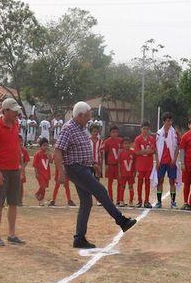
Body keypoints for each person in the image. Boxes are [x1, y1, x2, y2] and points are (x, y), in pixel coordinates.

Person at [54, 101, 136, 249]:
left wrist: (94, 163)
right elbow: (58, 150)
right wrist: (61, 172)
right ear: (79, 115)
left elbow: (83, 149)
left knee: (86, 203)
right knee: (101, 192)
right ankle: (121, 221)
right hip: (76, 168)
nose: (89, 119)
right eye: (87, 116)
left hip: (84, 168)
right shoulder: (68, 128)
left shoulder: (82, 128)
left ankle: (79, 238)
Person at [0, 98, 26, 246]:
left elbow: (17, 148)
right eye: (14, 110)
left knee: (13, 203)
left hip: (14, 169)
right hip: (1, 170)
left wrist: (21, 167)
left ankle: (12, 234)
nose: (17, 113)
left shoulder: (15, 124)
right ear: (6, 110)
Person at [155, 112, 179, 209]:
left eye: (171, 121)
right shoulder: (159, 133)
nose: (169, 123)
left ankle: (173, 202)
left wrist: (174, 159)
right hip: (161, 161)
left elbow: (177, 147)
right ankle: (159, 201)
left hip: (171, 161)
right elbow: (156, 148)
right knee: (160, 181)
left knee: (172, 181)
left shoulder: (174, 133)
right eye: (167, 121)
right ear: (163, 121)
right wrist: (157, 161)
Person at [134, 121, 156, 208]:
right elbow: (137, 152)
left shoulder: (151, 139)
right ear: (141, 129)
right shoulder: (137, 139)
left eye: (147, 129)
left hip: (148, 165)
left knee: (147, 183)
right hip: (140, 165)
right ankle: (139, 201)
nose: (145, 130)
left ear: (149, 129)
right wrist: (147, 151)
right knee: (139, 183)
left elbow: (153, 151)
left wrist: (143, 151)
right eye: (144, 129)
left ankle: (147, 201)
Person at [103, 125, 123, 203]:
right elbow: (106, 152)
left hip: (118, 165)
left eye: (116, 132)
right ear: (110, 133)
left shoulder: (120, 141)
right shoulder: (107, 141)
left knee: (119, 182)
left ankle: (118, 199)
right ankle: (110, 198)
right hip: (111, 164)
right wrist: (106, 164)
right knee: (110, 182)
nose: (115, 134)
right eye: (113, 132)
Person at [32, 138, 52, 205]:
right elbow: (35, 164)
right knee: (42, 186)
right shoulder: (38, 154)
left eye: (47, 145)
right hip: (40, 173)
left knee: (44, 187)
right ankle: (37, 194)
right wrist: (36, 173)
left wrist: (48, 155)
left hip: (47, 173)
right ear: (40, 146)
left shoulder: (48, 153)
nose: (45, 147)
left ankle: (41, 200)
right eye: (44, 145)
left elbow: (51, 162)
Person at [117, 138, 136, 207]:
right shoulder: (121, 153)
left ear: (130, 144)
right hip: (123, 173)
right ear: (123, 145)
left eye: (128, 143)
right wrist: (119, 172)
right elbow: (119, 164)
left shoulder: (133, 153)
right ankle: (121, 201)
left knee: (131, 187)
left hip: (130, 174)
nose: (127, 145)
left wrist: (134, 173)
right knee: (122, 187)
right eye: (125, 144)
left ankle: (131, 201)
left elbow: (134, 164)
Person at [18, 135, 30, 206]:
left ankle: (20, 200)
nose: (19, 142)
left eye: (21, 140)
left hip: (20, 170)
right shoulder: (11, 149)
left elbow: (26, 160)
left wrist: (22, 167)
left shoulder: (24, 150)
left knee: (20, 186)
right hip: (12, 169)